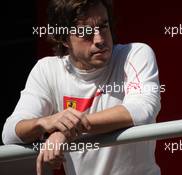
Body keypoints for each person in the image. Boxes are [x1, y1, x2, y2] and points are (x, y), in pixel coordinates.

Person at [2, 0, 161, 174]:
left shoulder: (135, 53)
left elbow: (142, 109)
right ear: (63, 39)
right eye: (85, 32)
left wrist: (66, 131)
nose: (99, 39)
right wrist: (46, 123)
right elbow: (10, 132)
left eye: (103, 26)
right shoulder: (47, 69)